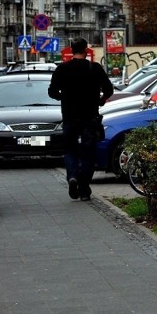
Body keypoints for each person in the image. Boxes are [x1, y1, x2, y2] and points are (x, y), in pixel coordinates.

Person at [48, 37, 114, 201]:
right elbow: (109, 89)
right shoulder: (95, 68)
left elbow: (52, 91)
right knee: (88, 151)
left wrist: (63, 97)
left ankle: (72, 176)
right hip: (90, 116)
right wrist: (101, 99)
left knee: (70, 149)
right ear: (86, 50)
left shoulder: (62, 69)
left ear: (71, 50)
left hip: (69, 116)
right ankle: (84, 188)